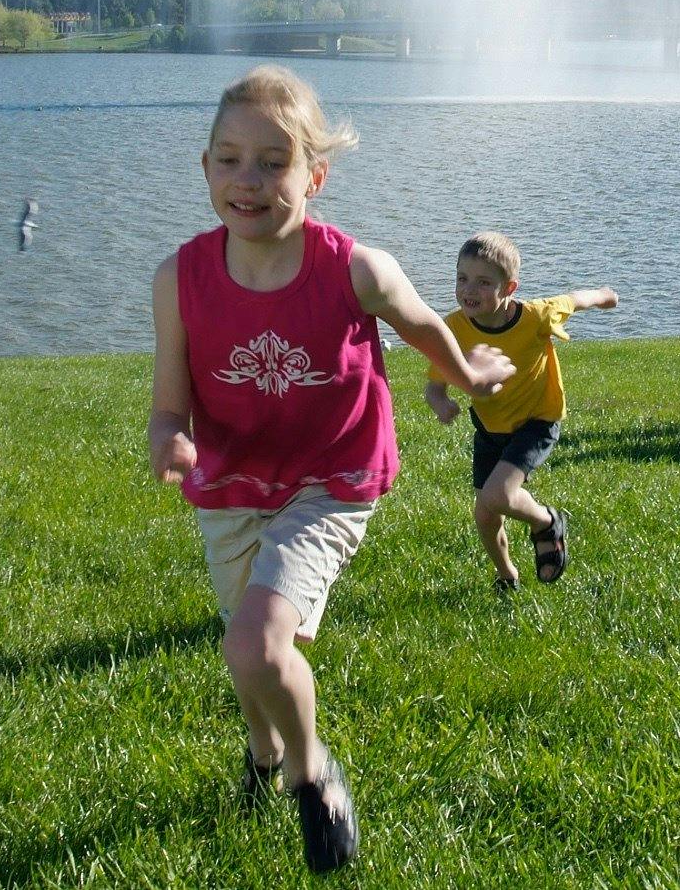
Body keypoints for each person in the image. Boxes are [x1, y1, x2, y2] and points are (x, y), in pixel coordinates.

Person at [148, 65, 514, 873]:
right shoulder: (179, 279)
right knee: (248, 654)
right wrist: (169, 438)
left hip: (330, 480)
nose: (248, 180)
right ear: (205, 167)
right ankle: (264, 751)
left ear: (315, 175)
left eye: (273, 161)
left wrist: (469, 373)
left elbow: (423, 326)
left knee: (256, 641)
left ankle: (312, 773)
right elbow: (169, 402)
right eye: (229, 159)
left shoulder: (354, 269)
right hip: (231, 486)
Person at [424, 231, 617, 591]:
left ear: (509, 288)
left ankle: (546, 522)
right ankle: (506, 575)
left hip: (536, 423)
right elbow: (434, 385)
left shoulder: (536, 317)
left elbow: (576, 299)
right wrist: (441, 404)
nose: (469, 290)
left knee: (497, 495)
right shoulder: (453, 328)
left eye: (484, 282)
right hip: (490, 429)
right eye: (462, 278)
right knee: (485, 514)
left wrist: (606, 296)